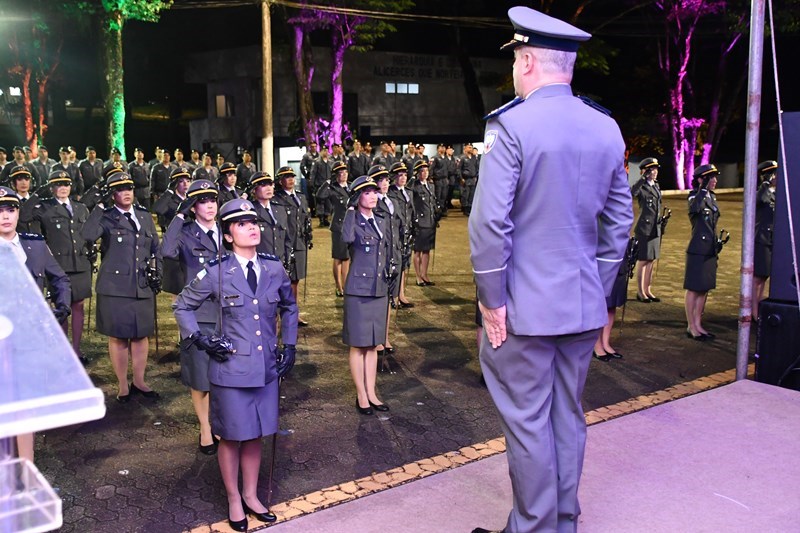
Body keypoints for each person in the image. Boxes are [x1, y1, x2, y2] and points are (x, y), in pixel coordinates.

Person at [468, 7, 632, 533]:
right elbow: (619, 221)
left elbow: (490, 225)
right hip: (583, 306)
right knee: (567, 416)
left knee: (528, 423)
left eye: (516, 59)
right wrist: (599, 289)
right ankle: (563, 521)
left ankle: (534, 528)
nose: (514, 69)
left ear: (529, 59)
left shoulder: (511, 126)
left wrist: (492, 301)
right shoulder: (606, 127)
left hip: (523, 311)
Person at [174, 199, 297, 531]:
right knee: (231, 436)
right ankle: (233, 499)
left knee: (255, 435)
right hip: (230, 370)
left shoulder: (273, 268)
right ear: (227, 235)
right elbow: (182, 306)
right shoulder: (216, 272)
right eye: (242, 224)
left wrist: (290, 345)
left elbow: (290, 306)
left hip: (266, 369)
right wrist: (200, 339)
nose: (252, 227)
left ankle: (252, 496)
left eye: (253, 222)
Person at [0, 185, 72, 463]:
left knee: (25, 407)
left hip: (28, 340)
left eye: (11, 209)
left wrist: (61, 307)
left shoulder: (35, 244)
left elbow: (60, 279)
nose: (6, 216)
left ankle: (26, 471)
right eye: (0, 211)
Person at [82, 172, 162, 402]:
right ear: (112, 194)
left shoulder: (145, 217)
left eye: (129, 188)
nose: (126, 192)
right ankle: (122, 384)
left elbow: (155, 247)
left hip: (142, 284)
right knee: (119, 337)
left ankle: (139, 380)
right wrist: (98, 205)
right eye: (119, 189)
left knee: (140, 335)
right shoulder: (105, 217)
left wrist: (159, 273)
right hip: (115, 287)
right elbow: (87, 235)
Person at [161, 179, 224, 455]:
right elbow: (166, 251)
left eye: (213, 200)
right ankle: (205, 429)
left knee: (223, 376)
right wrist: (178, 214)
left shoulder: (226, 231)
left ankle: (220, 422)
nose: (209, 205)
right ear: (193, 206)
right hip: (198, 315)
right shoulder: (186, 233)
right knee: (200, 378)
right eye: (202, 201)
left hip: (227, 313)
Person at [30, 171, 94, 364]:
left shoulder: (81, 208)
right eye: (58, 184)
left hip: (80, 264)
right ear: (51, 188)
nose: (63, 187)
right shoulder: (44, 209)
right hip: (58, 266)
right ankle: (62, 349)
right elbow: (25, 218)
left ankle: (76, 350)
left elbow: (88, 234)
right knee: (62, 308)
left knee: (79, 307)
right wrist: (36, 195)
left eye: (66, 183)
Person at [341, 175, 392, 415]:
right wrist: (350, 208)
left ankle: (372, 392)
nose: (373, 196)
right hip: (359, 290)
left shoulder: (381, 221)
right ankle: (361, 395)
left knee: (373, 345)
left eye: (374, 192)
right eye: (367, 192)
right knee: (358, 345)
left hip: (379, 288)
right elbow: (346, 238)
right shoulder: (353, 221)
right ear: (357, 197)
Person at [684, 164, 721, 340]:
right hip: (698, 249)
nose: (714, 180)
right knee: (693, 288)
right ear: (701, 179)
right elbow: (694, 209)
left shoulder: (712, 197)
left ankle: (699, 323)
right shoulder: (694, 196)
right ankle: (691, 326)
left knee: (704, 288)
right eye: (710, 178)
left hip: (710, 249)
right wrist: (702, 189)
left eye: (714, 177)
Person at [273, 166, 311, 326]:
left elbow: (305, 219)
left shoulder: (301, 197)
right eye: (286, 177)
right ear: (280, 181)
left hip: (299, 243)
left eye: (292, 176)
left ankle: (294, 313)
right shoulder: (278, 199)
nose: (290, 179)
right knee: (284, 281)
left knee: (296, 280)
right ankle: (284, 314)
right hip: (285, 244)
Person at [373, 165, 402, 365]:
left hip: (395, 254)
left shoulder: (392, 202)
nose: (385, 183)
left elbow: (399, 228)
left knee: (391, 298)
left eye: (386, 179)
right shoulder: (373, 204)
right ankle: (376, 338)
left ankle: (385, 336)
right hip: (380, 257)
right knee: (379, 299)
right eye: (381, 180)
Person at [593, 237, 637, 362]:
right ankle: (597, 345)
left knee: (612, 304)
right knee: (599, 305)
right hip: (601, 258)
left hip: (619, 258)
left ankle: (606, 342)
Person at [153, 167, 192, 293]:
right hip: (176, 244)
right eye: (181, 181)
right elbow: (158, 209)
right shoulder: (170, 200)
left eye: (187, 180)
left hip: (192, 243)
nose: (185, 183)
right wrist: (169, 190)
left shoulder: (193, 199)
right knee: (178, 287)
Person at [631, 157, 663, 302]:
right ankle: (640, 291)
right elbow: (633, 192)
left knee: (651, 261)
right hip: (644, 228)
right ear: (644, 171)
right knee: (643, 260)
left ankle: (648, 289)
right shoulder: (642, 186)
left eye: (656, 169)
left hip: (655, 228)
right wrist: (642, 178)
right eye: (651, 170)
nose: (655, 172)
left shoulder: (656, 185)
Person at [316, 161, 351, 296]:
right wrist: (328, 181)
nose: (344, 175)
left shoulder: (350, 187)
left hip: (350, 225)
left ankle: (346, 284)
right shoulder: (333, 188)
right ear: (336, 175)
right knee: (338, 257)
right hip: (338, 225)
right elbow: (320, 196)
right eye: (340, 173)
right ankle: (338, 286)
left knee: (347, 257)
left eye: (345, 172)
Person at [249, 171, 292, 267]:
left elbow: (287, 238)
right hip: (259, 265)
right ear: (254, 190)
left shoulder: (280, 209)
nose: (268, 188)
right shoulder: (251, 211)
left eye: (270, 184)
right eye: (263, 185)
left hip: (279, 263)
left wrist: (287, 260)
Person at [387, 162, 415, 307]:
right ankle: (393, 296)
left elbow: (411, 211)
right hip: (395, 233)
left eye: (405, 175)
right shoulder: (390, 192)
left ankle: (401, 294)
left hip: (406, 232)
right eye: (400, 175)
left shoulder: (408, 192)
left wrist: (413, 229)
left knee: (404, 264)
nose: (403, 178)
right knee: (394, 265)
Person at [753, 160, 777, 320]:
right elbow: (759, 199)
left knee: (764, 276)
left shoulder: (775, 193)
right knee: (757, 277)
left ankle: (758, 306)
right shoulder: (762, 192)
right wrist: (766, 182)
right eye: (774, 173)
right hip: (761, 238)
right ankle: (753, 311)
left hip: (771, 238)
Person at [410, 160, 437, 286]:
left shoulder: (431, 185)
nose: (425, 173)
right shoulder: (414, 186)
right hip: (420, 222)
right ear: (417, 173)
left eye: (426, 170)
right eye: (422, 171)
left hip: (430, 221)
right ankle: (418, 276)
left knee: (427, 250)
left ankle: (424, 274)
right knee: (418, 251)